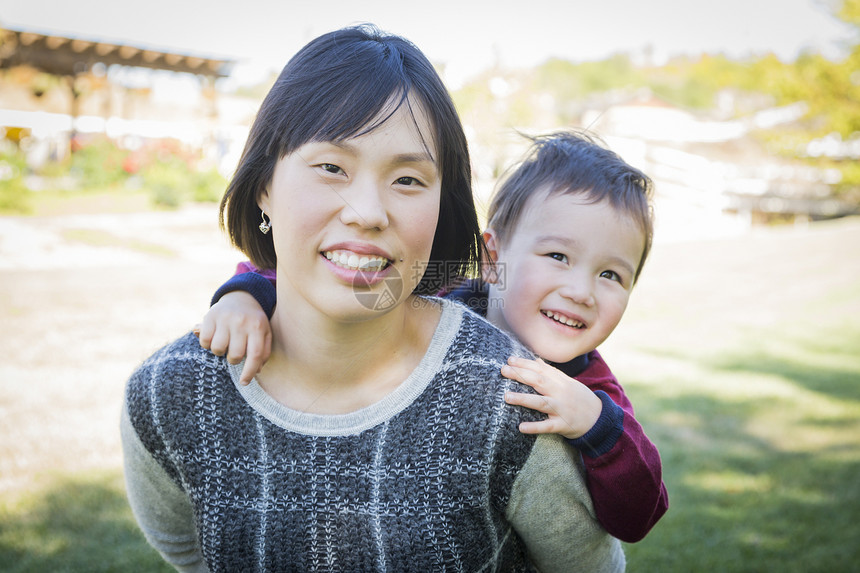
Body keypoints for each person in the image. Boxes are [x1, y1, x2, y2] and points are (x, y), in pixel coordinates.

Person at [121, 24, 624, 572]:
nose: (367, 211)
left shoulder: (512, 401)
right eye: (332, 168)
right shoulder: (170, 395)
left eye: (408, 180)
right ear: (264, 184)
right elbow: (187, 553)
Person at [200, 131, 669, 544]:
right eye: (558, 256)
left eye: (611, 274)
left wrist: (598, 425)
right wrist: (245, 294)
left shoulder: (594, 392)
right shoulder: (440, 302)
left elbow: (639, 516)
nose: (581, 291)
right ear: (492, 257)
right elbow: (326, 278)